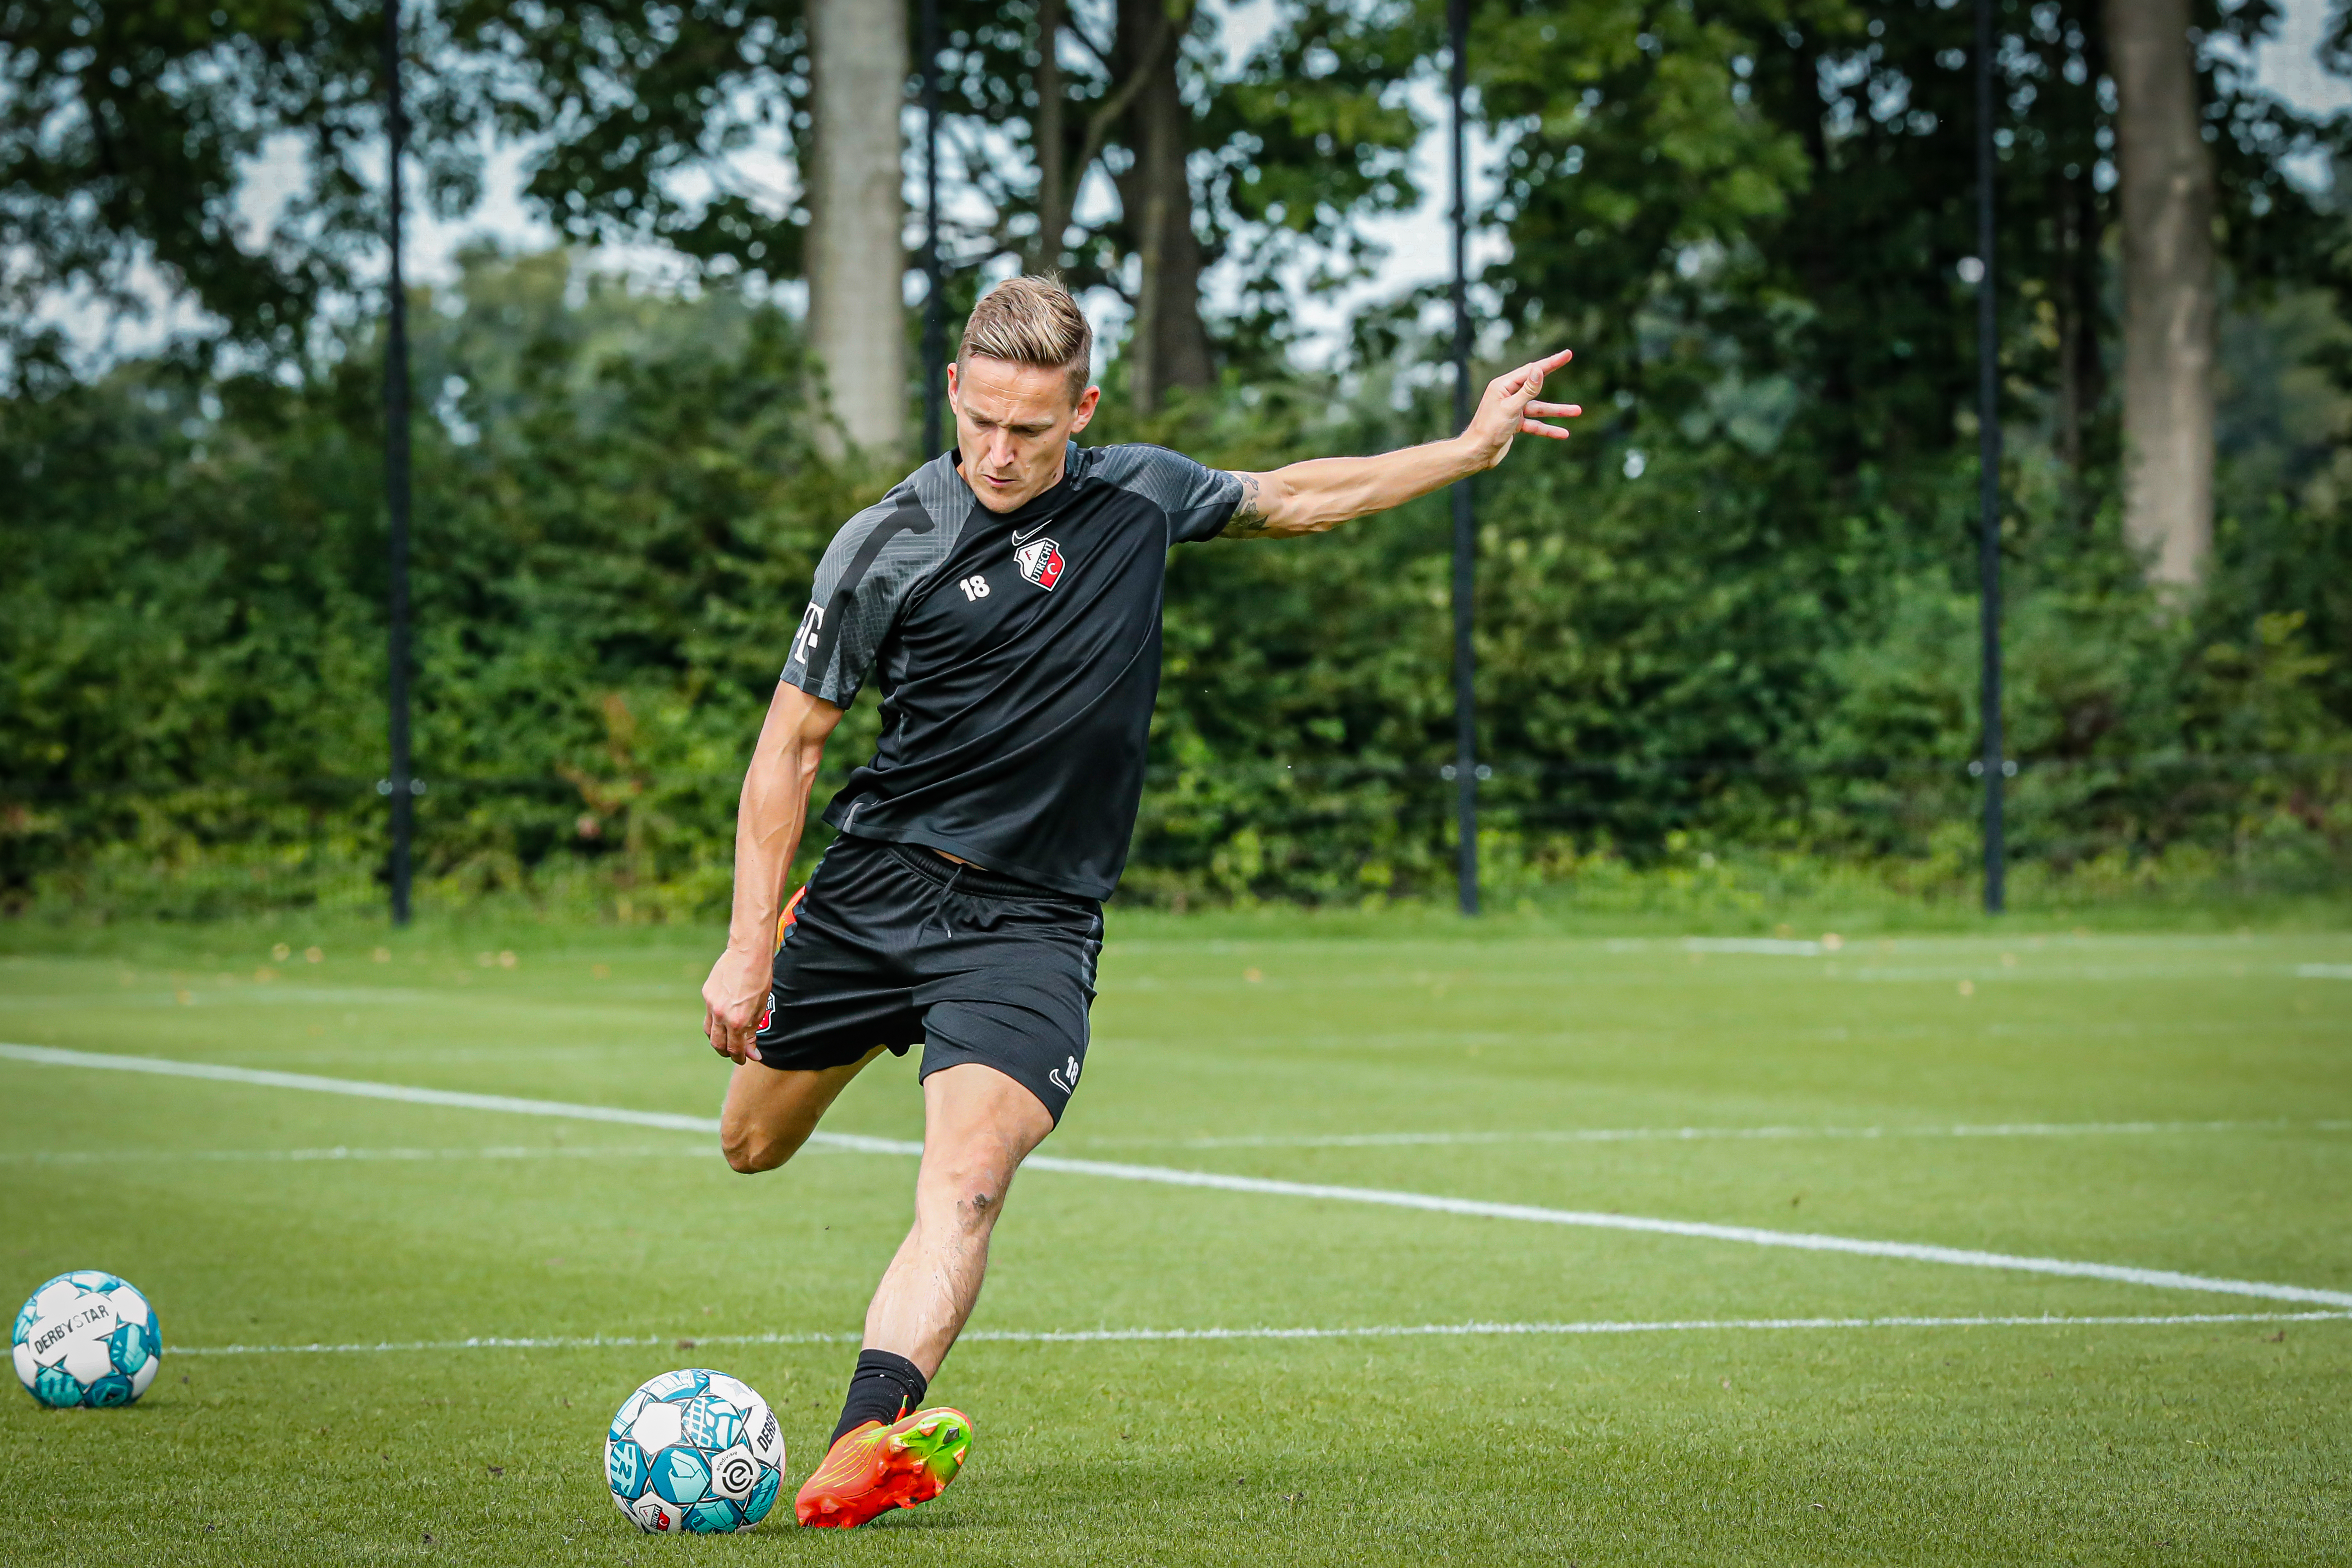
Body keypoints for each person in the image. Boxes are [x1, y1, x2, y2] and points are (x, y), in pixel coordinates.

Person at [699, 275, 1578, 1528]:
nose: (1001, 453)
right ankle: (812, 973)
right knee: (752, 1143)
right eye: (983, 421)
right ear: (952, 389)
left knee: (966, 1184)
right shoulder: (885, 542)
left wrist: (1466, 448)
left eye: (1033, 430)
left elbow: (1298, 497)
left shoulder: (1138, 496)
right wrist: (747, 948)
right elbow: (786, 750)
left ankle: (862, 1443)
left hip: (1029, 925)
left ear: (1084, 409)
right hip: (872, 891)